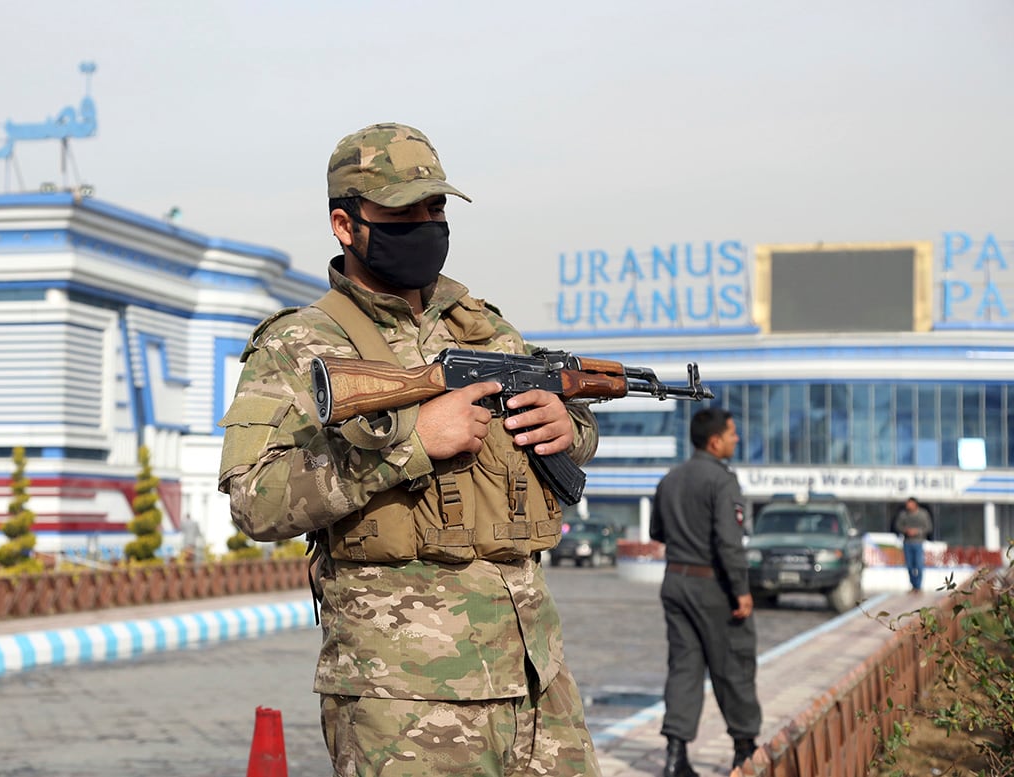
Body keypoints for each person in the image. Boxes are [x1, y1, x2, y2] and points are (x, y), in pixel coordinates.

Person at [218, 122, 603, 776]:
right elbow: (256, 500)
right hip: (404, 697)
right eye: (401, 212)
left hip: (536, 680)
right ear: (345, 224)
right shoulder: (299, 344)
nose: (425, 225)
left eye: (435, 209)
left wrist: (571, 428)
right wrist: (410, 446)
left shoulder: (483, 326)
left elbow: (568, 431)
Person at [649, 408, 761, 777]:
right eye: (732, 434)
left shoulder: (671, 479)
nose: (737, 439)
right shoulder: (722, 481)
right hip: (712, 586)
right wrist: (741, 591)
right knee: (734, 665)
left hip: (676, 582)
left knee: (684, 667)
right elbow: (729, 542)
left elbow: (657, 533)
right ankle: (745, 751)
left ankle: (675, 756)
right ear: (715, 441)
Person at [894, 497, 934, 592]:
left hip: (918, 542)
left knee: (919, 565)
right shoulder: (903, 515)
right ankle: (913, 585)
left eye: (910, 503)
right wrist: (906, 531)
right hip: (907, 543)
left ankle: (918, 586)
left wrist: (917, 531)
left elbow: (928, 527)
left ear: (915, 504)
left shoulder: (923, 514)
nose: (908, 505)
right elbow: (898, 526)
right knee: (909, 566)